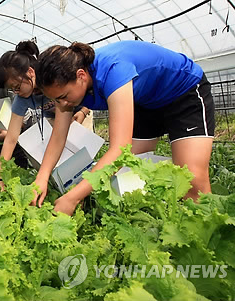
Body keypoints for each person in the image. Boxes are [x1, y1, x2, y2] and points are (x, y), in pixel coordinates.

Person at [32, 40, 215, 215]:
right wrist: (42, 177)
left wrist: (73, 197)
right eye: (55, 99)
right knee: (131, 172)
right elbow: (58, 137)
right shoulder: (66, 92)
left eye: (63, 96)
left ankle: (203, 236)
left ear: (81, 75)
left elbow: (120, 150)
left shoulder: (114, 70)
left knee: (193, 182)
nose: (61, 103)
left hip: (183, 92)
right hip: (145, 102)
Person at [0, 40, 92, 188]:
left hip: (80, 115)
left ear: (30, 72)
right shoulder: (21, 99)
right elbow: (11, 139)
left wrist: (83, 111)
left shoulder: (51, 80)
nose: (16, 92)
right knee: (63, 166)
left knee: (85, 164)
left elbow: (87, 91)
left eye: (18, 87)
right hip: (60, 124)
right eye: (12, 89)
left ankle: (85, 196)